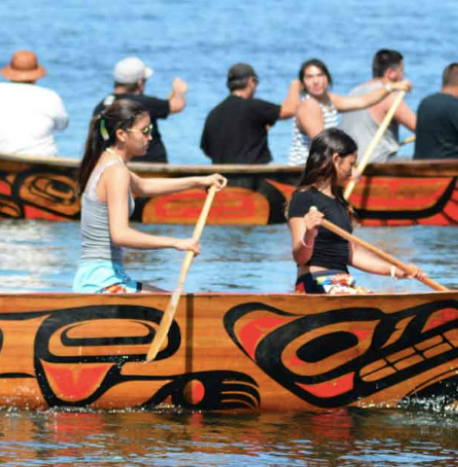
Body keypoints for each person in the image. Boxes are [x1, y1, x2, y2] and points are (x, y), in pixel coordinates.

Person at [73, 99, 226, 293]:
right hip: (101, 283)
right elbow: (120, 235)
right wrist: (176, 243)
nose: (150, 137)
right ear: (121, 134)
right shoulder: (116, 171)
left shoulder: (109, 161)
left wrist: (198, 182)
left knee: (172, 302)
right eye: (145, 131)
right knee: (176, 309)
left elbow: (144, 186)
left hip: (106, 277)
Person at [287, 128, 424, 294]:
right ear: (336, 159)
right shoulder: (304, 198)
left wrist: (396, 271)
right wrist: (309, 233)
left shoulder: (339, 202)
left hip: (342, 283)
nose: (353, 172)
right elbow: (300, 257)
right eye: (351, 164)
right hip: (314, 283)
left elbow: (353, 254)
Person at [288, 58, 411, 165]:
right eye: (310, 77)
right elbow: (323, 143)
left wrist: (391, 87)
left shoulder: (329, 100)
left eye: (320, 75)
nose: (316, 81)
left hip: (326, 164)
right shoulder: (309, 105)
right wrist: (348, 165)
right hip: (306, 169)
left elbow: (363, 101)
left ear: (327, 78)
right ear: (303, 83)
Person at [200, 63, 301, 164]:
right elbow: (290, 110)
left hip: (222, 177)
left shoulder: (213, 114)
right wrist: (295, 86)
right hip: (254, 177)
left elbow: (206, 150)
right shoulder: (254, 107)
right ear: (251, 82)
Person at [93, 57, 187, 163]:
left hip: (112, 163)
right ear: (139, 82)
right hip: (151, 168)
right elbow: (176, 106)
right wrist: (179, 91)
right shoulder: (142, 104)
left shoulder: (101, 106)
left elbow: (164, 106)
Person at [340, 49, 418, 164]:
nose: (403, 76)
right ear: (391, 73)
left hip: (349, 163)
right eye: (402, 71)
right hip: (375, 164)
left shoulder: (353, 92)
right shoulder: (389, 96)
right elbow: (421, 129)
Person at [0, 50, 68, 157]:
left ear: (10, 73)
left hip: (3, 159)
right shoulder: (50, 96)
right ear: (36, 75)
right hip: (41, 162)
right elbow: (62, 126)